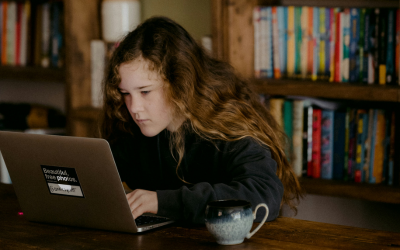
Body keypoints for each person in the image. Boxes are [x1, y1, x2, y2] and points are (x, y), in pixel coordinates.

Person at [99, 16, 302, 224]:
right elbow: (96, 178)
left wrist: (160, 202)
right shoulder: (130, 126)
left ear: (180, 82)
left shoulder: (227, 123)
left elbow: (263, 195)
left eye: (145, 91)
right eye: (125, 93)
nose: (134, 107)